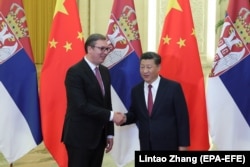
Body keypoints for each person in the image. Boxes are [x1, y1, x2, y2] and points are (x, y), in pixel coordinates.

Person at [61, 33, 124, 167]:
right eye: (102, 49)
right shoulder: (75, 72)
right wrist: (112, 116)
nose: (105, 52)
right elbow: (81, 106)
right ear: (89, 49)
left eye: (107, 49)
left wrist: (109, 134)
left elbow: (107, 103)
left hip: (99, 137)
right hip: (79, 137)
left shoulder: (105, 71)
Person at [120, 51, 190, 151]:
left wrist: (183, 145)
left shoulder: (173, 88)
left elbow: (182, 118)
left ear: (158, 67)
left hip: (169, 144)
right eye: (142, 67)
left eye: (149, 67)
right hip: (146, 144)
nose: (145, 71)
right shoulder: (136, 90)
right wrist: (124, 118)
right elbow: (135, 113)